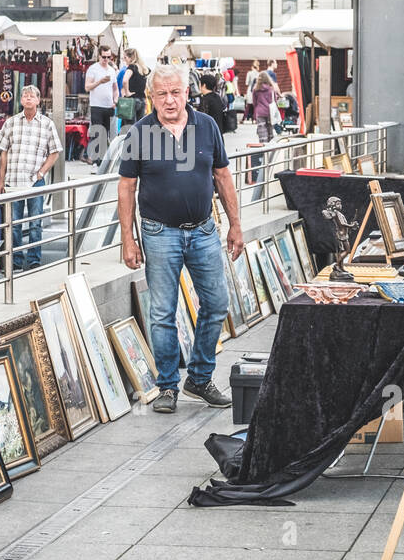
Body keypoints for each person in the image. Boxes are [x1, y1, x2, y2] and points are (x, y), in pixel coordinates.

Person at [118, 64, 244, 414]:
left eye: (176, 92)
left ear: (188, 93)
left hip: (203, 231)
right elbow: (127, 187)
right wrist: (127, 239)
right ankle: (168, 386)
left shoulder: (207, 127)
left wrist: (235, 225)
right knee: (162, 313)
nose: (170, 100)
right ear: (151, 97)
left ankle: (200, 378)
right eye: (162, 94)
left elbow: (222, 176)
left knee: (217, 303)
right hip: (159, 233)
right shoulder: (140, 133)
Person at [0, 84, 62, 270]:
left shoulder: (47, 124)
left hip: (35, 181)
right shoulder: (11, 123)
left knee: (35, 223)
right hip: (13, 180)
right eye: (24, 96)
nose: (27, 98)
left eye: (31, 96)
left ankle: (34, 259)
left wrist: (41, 173)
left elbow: (55, 152)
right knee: (14, 224)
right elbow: (3, 153)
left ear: (38, 100)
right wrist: (1, 181)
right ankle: (16, 260)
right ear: (21, 100)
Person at [84, 45, 118, 166]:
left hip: (109, 106)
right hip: (96, 106)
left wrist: (115, 100)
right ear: (99, 56)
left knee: (107, 133)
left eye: (109, 57)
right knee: (98, 133)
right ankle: (96, 161)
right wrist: (99, 82)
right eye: (104, 57)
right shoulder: (93, 69)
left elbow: (115, 88)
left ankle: (101, 160)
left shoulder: (111, 70)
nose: (106, 59)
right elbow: (87, 87)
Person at [118, 47, 148, 129]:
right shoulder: (143, 68)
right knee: (139, 127)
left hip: (131, 100)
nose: (124, 60)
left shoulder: (132, 67)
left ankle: (129, 142)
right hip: (142, 100)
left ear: (131, 58)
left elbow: (125, 80)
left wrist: (127, 93)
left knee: (129, 128)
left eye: (125, 57)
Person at [250, 73, 276, 144]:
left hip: (260, 111)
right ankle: (270, 144)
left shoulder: (255, 89)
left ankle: (263, 144)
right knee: (270, 128)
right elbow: (275, 100)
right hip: (270, 111)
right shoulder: (271, 88)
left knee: (262, 129)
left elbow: (254, 102)